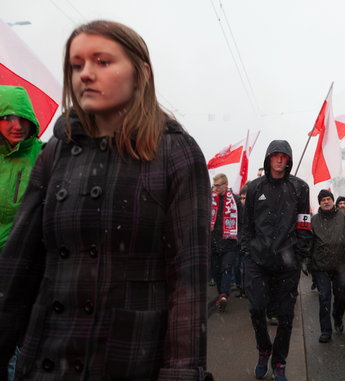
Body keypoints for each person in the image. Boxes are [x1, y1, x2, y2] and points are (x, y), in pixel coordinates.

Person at [0, 20, 212, 380]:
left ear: (141, 73)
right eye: (77, 64)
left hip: (128, 357)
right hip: (47, 358)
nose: (85, 74)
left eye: (102, 62)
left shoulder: (176, 153)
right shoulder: (56, 152)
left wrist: (181, 372)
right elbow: (19, 267)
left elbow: (187, 284)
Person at [241, 140, 311, 381]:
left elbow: (304, 223)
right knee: (256, 308)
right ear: (269, 158)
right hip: (257, 261)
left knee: (286, 317)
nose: (280, 160)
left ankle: (279, 362)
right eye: (276, 156)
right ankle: (264, 349)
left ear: (289, 159)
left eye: (284, 156)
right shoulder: (254, 188)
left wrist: (299, 253)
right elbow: (246, 225)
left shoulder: (300, 188)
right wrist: (248, 250)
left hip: (288, 264)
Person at [0, 85, 44, 381]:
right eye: (7, 117)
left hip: (26, 265)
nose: (16, 125)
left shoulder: (44, 155)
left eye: (22, 117)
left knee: (18, 341)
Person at [309, 189, 345, 343]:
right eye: (323, 200)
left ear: (333, 201)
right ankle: (326, 330)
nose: (326, 202)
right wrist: (308, 263)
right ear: (319, 203)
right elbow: (309, 244)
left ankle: (337, 318)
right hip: (321, 267)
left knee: (341, 297)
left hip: (341, 266)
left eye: (328, 199)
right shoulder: (314, 221)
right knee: (324, 298)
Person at [210, 173, 241, 312]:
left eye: (217, 185)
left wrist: (239, 238)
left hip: (230, 243)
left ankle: (224, 294)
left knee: (226, 269)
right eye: (214, 185)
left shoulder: (236, 201)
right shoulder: (210, 201)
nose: (215, 188)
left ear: (225, 185)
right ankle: (220, 293)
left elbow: (243, 221)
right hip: (214, 242)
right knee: (216, 271)